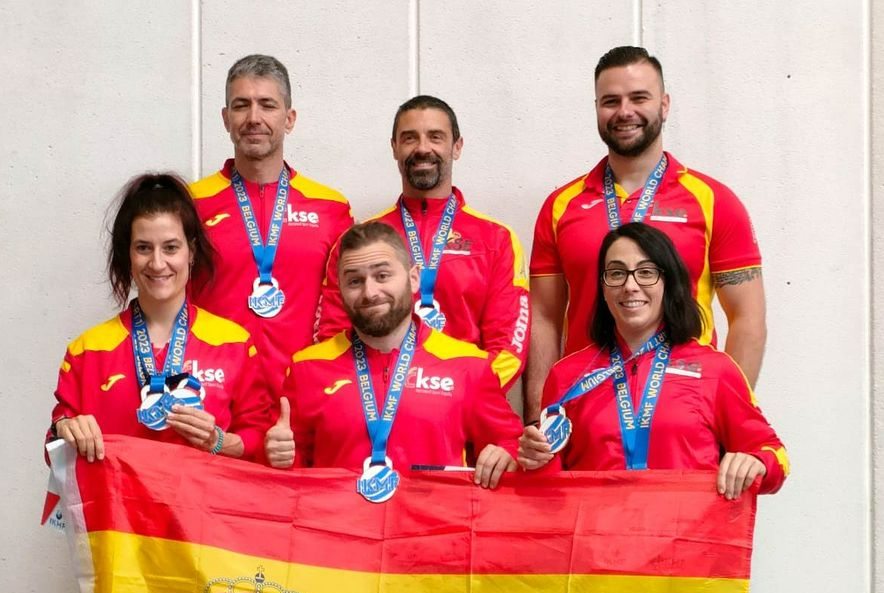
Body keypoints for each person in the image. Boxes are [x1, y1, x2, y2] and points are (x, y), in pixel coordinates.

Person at [525, 45, 766, 423]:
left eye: (639, 97)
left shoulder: (714, 201)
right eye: (610, 100)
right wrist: (541, 420)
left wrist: (725, 416)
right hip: (585, 413)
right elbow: (543, 318)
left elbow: (748, 319)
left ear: (665, 104)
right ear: (596, 109)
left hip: (685, 416)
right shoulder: (560, 206)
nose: (624, 111)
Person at [518, 223, 787, 500]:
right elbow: (548, 492)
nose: (630, 286)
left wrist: (758, 463)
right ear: (603, 286)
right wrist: (534, 461)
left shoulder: (715, 370)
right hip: (596, 539)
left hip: (685, 538)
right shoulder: (567, 375)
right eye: (617, 273)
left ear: (668, 282)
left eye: (646, 273)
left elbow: (773, 453)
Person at [266, 222, 521, 496]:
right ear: (339, 289)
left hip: (434, 531)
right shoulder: (307, 368)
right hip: (339, 532)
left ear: (414, 279)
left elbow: (514, 445)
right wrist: (278, 457)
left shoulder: (468, 364)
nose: (370, 292)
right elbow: (288, 476)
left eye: (383, 275)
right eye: (354, 281)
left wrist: (507, 454)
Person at [50, 173, 271, 466]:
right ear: (128, 254)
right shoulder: (87, 351)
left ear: (191, 252)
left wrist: (219, 441)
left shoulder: (233, 343)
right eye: (143, 247)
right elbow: (53, 448)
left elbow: (259, 438)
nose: (157, 263)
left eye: (170, 247)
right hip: (118, 512)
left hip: (203, 511)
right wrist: (65, 429)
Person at [316, 96, 530, 390]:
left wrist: (462, 399)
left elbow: (508, 345)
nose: (422, 148)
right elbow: (333, 335)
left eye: (435, 137)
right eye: (409, 138)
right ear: (394, 148)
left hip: (465, 415)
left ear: (457, 146)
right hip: (374, 412)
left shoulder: (496, 239)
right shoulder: (357, 241)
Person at [189, 54, 353, 392]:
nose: (253, 118)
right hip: (215, 394)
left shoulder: (330, 207)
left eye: (267, 105)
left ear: (289, 119)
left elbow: (343, 306)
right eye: (240, 105)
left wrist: (327, 379)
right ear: (225, 118)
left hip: (304, 395)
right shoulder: (190, 203)